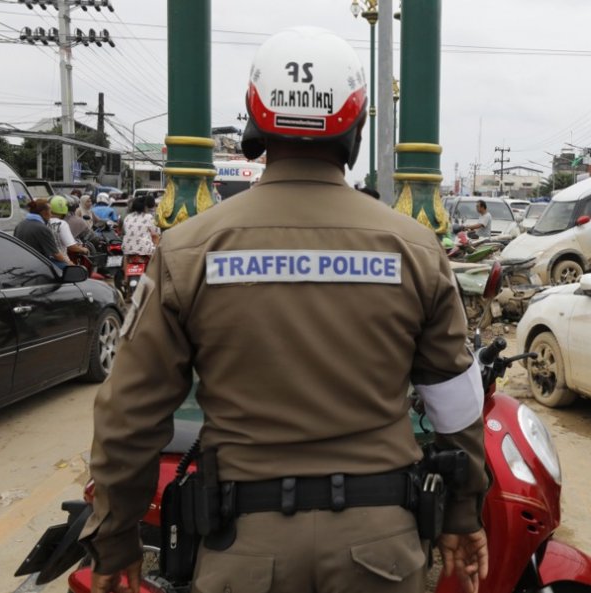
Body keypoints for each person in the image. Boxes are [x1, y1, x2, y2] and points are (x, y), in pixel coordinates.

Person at [81, 27, 489, 593]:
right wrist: (464, 514)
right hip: (382, 551)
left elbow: (129, 416)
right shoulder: (415, 249)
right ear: (357, 124)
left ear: (255, 117)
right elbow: (456, 405)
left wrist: (114, 539)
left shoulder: (189, 251)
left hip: (242, 552)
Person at [14, 198, 70, 267]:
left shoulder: (20, 224)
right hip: (37, 264)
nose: (51, 214)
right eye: (50, 211)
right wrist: (70, 263)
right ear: (44, 212)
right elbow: (56, 255)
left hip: (21, 262)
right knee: (67, 268)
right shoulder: (42, 228)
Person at [48, 195, 89, 264]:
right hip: (61, 261)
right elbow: (71, 247)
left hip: (45, 261)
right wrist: (83, 250)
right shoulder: (62, 224)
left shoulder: (45, 222)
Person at [120, 195, 160, 259]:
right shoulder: (148, 217)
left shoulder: (128, 217)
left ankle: (125, 269)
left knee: (126, 258)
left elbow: (124, 231)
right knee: (157, 258)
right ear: (145, 207)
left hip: (127, 248)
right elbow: (155, 234)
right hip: (145, 249)